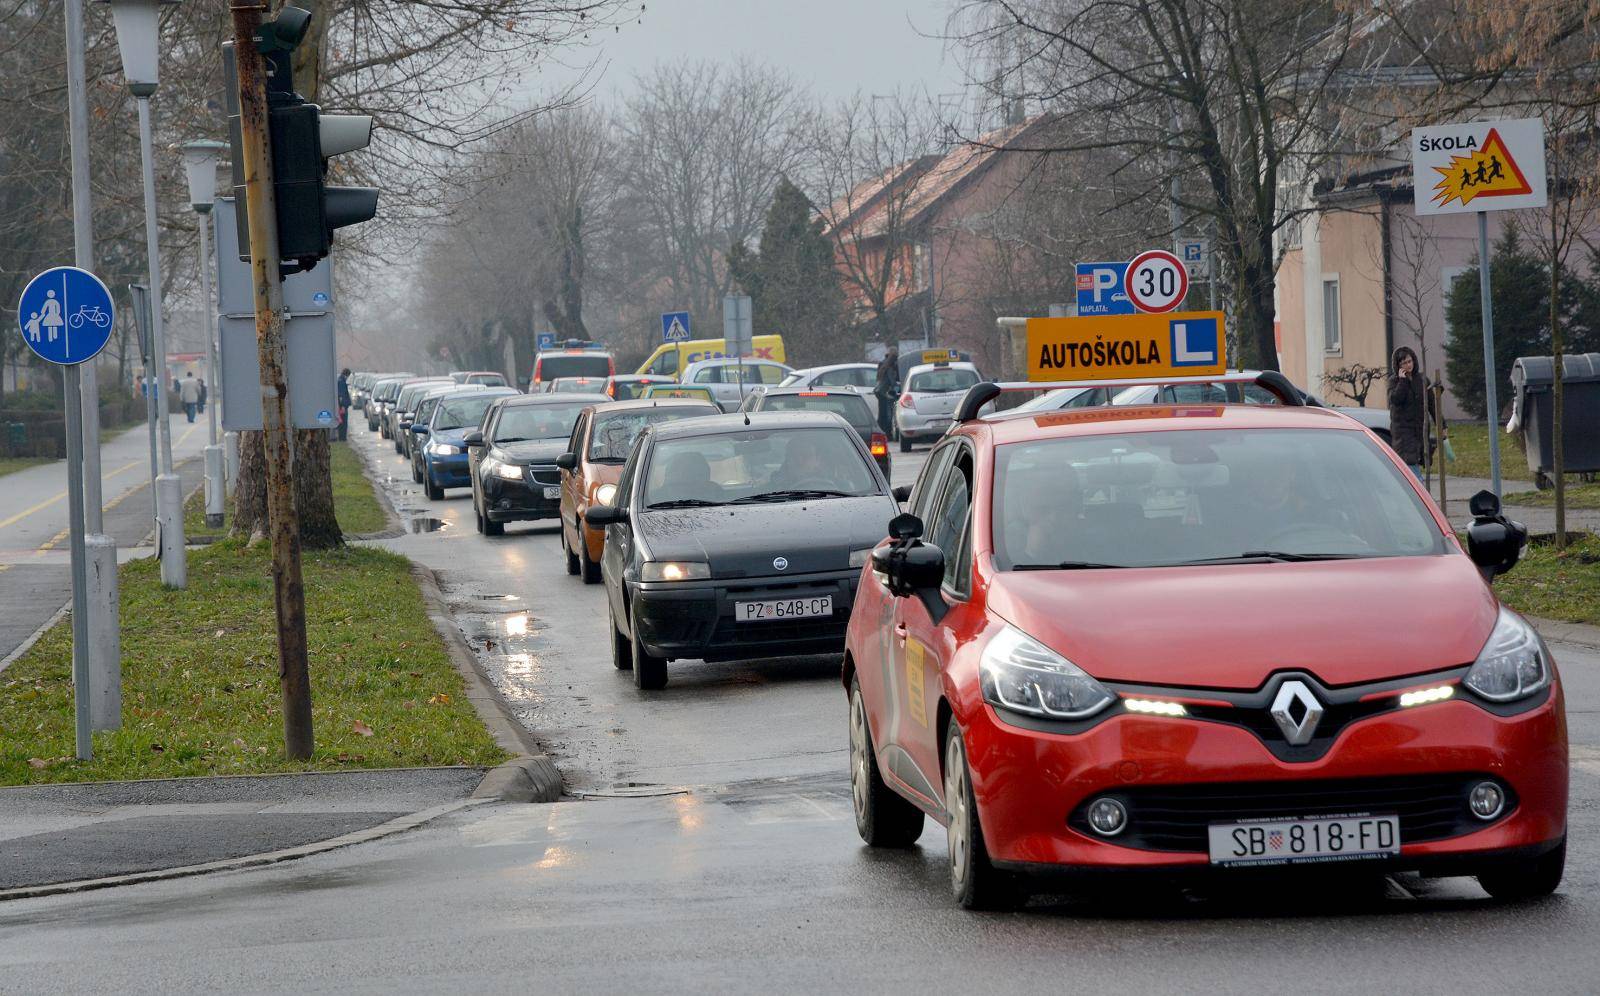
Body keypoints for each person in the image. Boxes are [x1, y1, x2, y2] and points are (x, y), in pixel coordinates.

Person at [1387, 346, 1430, 479]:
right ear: (1398, 366)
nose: (1408, 365)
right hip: (1403, 431)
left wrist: (1443, 424)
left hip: (1419, 429)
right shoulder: (1394, 381)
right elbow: (1395, 399)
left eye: (1409, 361)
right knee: (1410, 463)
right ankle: (1420, 490)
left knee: (1416, 460)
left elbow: (1431, 403)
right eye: (1404, 363)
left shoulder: (1421, 380)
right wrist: (1403, 381)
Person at [874, 346, 900, 437]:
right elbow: (891, 380)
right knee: (888, 414)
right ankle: (887, 434)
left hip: (879, 391)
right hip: (885, 392)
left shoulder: (882, 363)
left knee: (882, 413)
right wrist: (897, 388)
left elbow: (879, 378)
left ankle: (880, 432)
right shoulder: (891, 365)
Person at [336, 368, 352, 442]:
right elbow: (341, 395)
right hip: (343, 406)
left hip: (342, 405)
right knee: (343, 423)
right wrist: (342, 406)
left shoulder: (340, 380)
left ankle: (342, 437)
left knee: (342, 422)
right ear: (347, 375)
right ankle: (342, 438)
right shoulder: (342, 382)